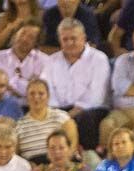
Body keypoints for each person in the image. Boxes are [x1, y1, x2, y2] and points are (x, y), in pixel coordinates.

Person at [46, 19, 111, 150]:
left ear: (84, 38)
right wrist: (58, 114)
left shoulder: (99, 58)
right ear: (60, 40)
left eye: (73, 38)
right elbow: (47, 90)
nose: (69, 43)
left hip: (90, 110)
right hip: (59, 109)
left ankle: (86, 157)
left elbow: (96, 96)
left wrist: (68, 116)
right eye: (65, 39)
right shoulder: (51, 60)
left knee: (85, 120)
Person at [15, 78, 77, 161]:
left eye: (41, 94)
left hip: (60, 166)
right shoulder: (19, 125)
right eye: (32, 93)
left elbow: (73, 147)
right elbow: (16, 156)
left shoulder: (62, 117)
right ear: (26, 97)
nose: (36, 97)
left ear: (48, 97)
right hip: (33, 169)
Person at [0, 23, 47, 103]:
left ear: (36, 42)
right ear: (14, 35)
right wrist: (28, 85)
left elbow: (40, 92)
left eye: (31, 37)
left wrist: (8, 86)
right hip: (0, 105)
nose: (25, 39)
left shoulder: (44, 61)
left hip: (31, 108)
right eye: (22, 34)